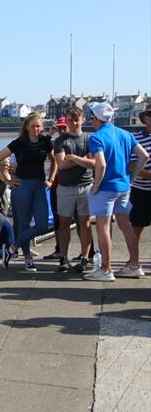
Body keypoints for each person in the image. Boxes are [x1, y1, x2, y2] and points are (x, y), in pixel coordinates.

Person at [84, 102, 149, 281]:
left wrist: (96, 185)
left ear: (95, 118)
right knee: (125, 225)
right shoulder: (126, 134)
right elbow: (144, 155)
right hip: (124, 186)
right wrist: (132, 178)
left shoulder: (96, 137)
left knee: (103, 227)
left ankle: (106, 269)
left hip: (106, 187)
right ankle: (135, 265)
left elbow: (101, 164)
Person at [0, 113, 57, 272]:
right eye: (33, 126)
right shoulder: (19, 143)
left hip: (39, 186)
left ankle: (11, 249)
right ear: (27, 127)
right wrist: (6, 181)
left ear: (42, 127)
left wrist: (51, 179)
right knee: (24, 224)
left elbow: (54, 160)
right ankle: (28, 259)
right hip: (22, 186)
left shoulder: (45, 141)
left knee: (42, 224)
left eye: (38, 126)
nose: (36, 129)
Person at [53, 107, 95, 272]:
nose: (73, 123)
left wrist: (74, 158)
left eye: (76, 119)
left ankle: (85, 257)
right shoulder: (60, 141)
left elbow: (94, 163)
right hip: (65, 188)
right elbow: (61, 165)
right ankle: (63, 257)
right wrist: (83, 159)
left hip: (85, 186)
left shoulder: (89, 139)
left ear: (82, 120)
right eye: (70, 120)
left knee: (84, 224)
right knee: (63, 224)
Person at [42, 117, 69, 261]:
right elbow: (43, 146)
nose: (62, 130)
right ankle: (59, 250)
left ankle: (88, 254)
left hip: (72, 185)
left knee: (82, 221)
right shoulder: (56, 143)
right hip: (57, 185)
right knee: (58, 220)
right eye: (60, 128)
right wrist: (49, 135)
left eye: (64, 127)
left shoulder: (76, 140)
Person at [130, 108, 151, 253]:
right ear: (145, 118)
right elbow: (132, 165)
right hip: (140, 190)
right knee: (136, 227)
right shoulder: (135, 138)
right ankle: (133, 260)